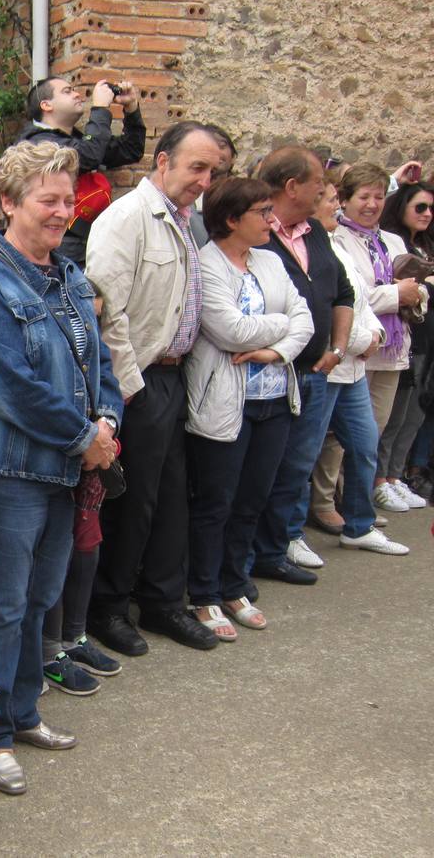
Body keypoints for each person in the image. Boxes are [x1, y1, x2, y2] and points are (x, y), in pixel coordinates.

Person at [0, 141, 121, 795]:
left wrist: (109, 422)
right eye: (48, 200)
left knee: (41, 600)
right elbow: (7, 386)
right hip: (2, 473)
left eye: (67, 200)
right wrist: (84, 437)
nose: (62, 211)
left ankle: (21, 713)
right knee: (2, 606)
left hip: (63, 468)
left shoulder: (69, 275)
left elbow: (98, 360)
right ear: (9, 203)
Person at [85, 121, 225, 656]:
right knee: (132, 501)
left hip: (173, 376)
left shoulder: (187, 220)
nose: (205, 180)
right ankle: (109, 608)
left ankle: (164, 602)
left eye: (213, 171)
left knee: (170, 498)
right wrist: (130, 389)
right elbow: (107, 310)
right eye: (196, 167)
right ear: (162, 161)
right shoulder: (126, 218)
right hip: (139, 382)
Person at [184, 178, 314, 641]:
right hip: (225, 402)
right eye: (262, 212)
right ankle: (203, 593)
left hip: (274, 398)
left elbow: (307, 320)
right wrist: (281, 329)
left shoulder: (272, 261)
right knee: (215, 502)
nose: (272, 220)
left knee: (251, 499)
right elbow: (229, 331)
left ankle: (234, 584)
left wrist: (274, 352)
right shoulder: (206, 264)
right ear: (232, 219)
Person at [246, 147, 356, 582]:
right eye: (318, 185)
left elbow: (342, 294)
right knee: (261, 470)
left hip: (315, 372)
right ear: (292, 186)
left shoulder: (316, 234)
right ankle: (246, 557)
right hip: (272, 372)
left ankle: (275, 550)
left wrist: (339, 347)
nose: (327, 193)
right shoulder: (256, 233)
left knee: (296, 467)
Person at [304, 181, 410, 558]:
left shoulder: (335, 247)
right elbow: (324, 308)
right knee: (307, 452)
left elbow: (358, 300)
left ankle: (359, 525)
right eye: (332, 200)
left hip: (352, 374)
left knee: (365, 446)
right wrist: (363, 341)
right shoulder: (314, 248)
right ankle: (288, 534)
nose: (336, 207)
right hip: (328, 368)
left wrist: (376, 332)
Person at [332, 164, 427, 515]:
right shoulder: (339, 238)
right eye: (363, 197)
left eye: (377, 196)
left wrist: (416, 295)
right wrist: (397, 293)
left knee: (378, 427)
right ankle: (336, 499)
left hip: (393, 346)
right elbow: (355, 296)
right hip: (361, 346)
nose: (372, 204)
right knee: (346, 434)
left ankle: (365, 494)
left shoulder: (392, 240)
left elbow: (412, 291)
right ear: (345, 200)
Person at [16, 76, 145, 264]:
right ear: (46, 105)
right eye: (67, 91)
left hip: (84, 242)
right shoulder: (36, 142)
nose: (77, 95)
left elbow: (131, 150)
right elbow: (87, 157)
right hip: (56, 243)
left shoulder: (76, 140)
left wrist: (131, 108)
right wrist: (100, 108)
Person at [376, 182, 434, 505]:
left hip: (423, 335)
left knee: (415, 412)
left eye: (430, 208)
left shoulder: (425, 244)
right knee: (392, 414)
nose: (427, 214)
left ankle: (396, 475)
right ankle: (382, 478)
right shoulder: (393, 242)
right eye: (420, 207)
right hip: (404, 335)